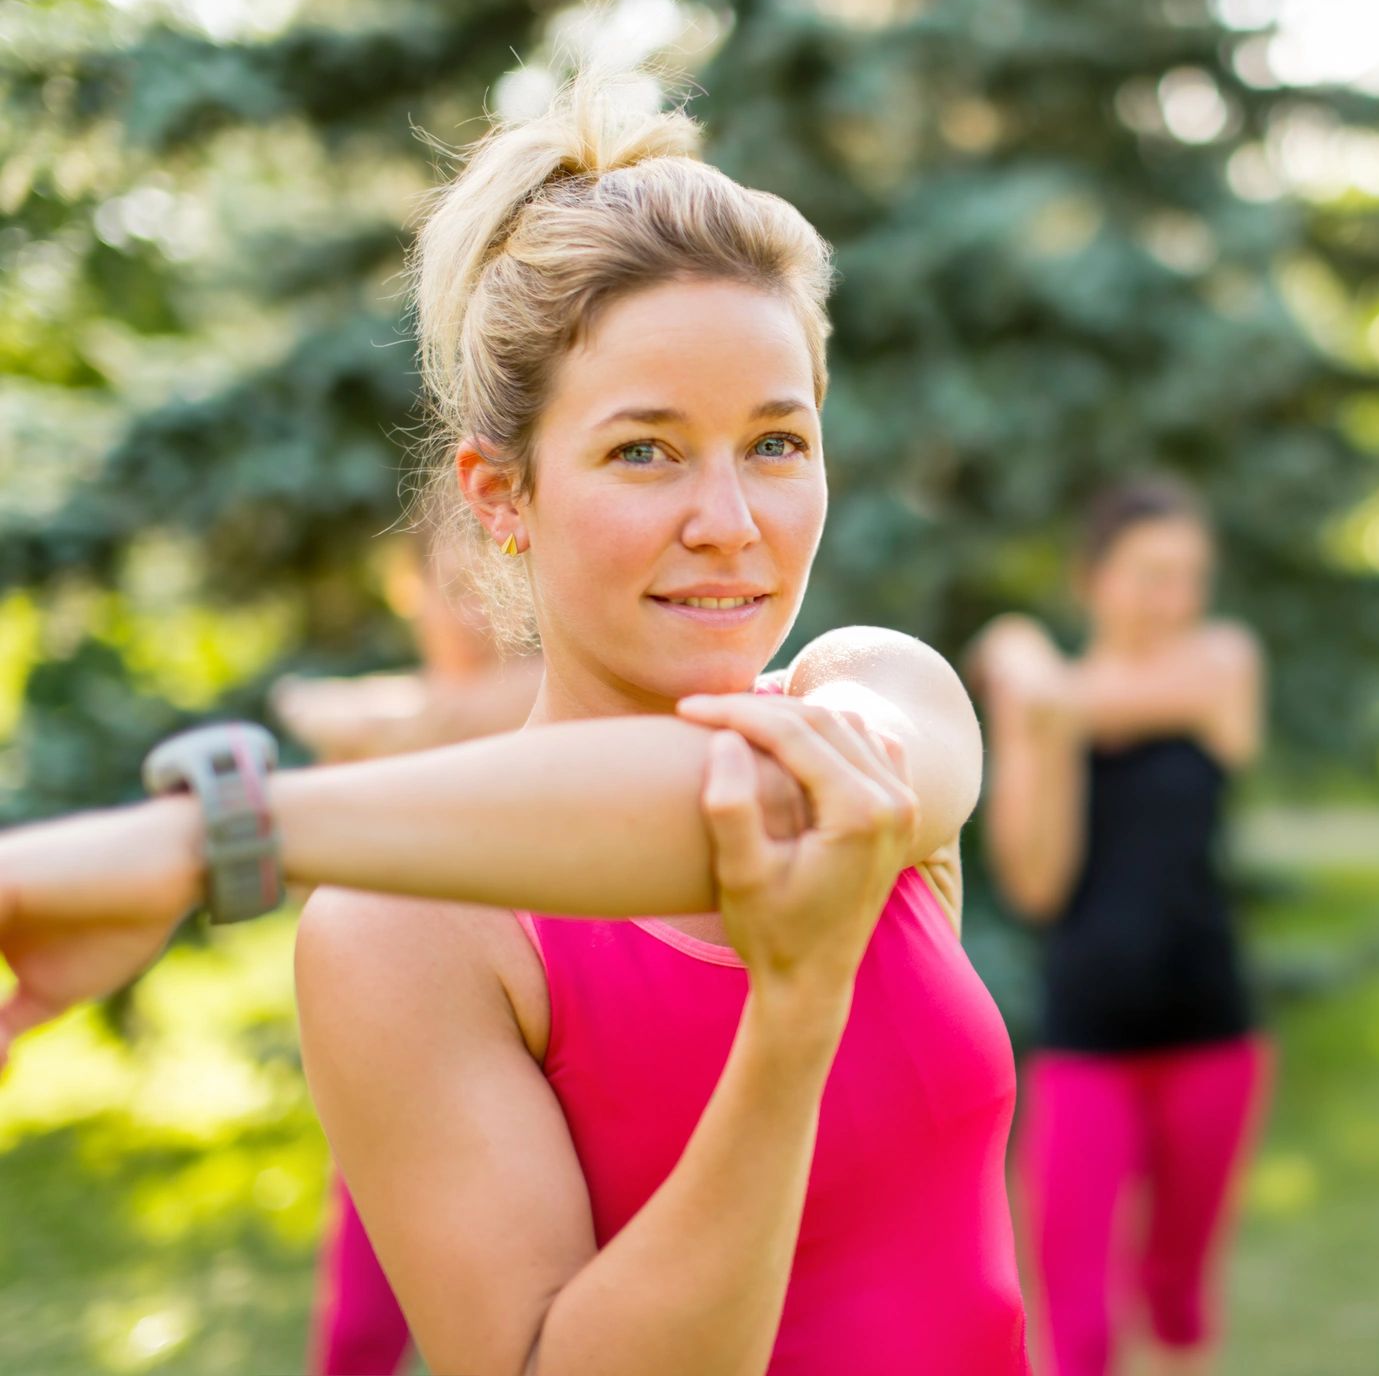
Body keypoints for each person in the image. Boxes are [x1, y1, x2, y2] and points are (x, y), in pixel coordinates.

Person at [0, 73, 1028, 1375]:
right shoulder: (397, 932)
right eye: (644, 451)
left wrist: (205, 844)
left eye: (776, 443)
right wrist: (791, 1015)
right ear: (500, 491)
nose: (731, 520)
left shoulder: (881, 697)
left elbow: (748, 797)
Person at [971, 478, 1269, 1376]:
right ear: (1090, 579)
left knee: (1177, 1298)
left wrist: (1023, 669)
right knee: (1078, 1334)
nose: (1171, 600)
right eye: (1148, 575)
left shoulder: (1218, 663)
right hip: (1087, 1040)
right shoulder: (1044, 711)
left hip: (1210, 1033)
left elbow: (1095, 694)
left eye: (1188, 577)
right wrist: (1040, 725)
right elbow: (1037, 885)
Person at [272, 534, 541, 1376]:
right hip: (403, 1054)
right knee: (356, 1335)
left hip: (524, 1048)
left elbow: (453, 715)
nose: (473, 614)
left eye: (492, 587)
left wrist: (365, 723)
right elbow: (309, 885)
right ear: (407, 587)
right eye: (453, 587)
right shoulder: (389, 720)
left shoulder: (536, 705)